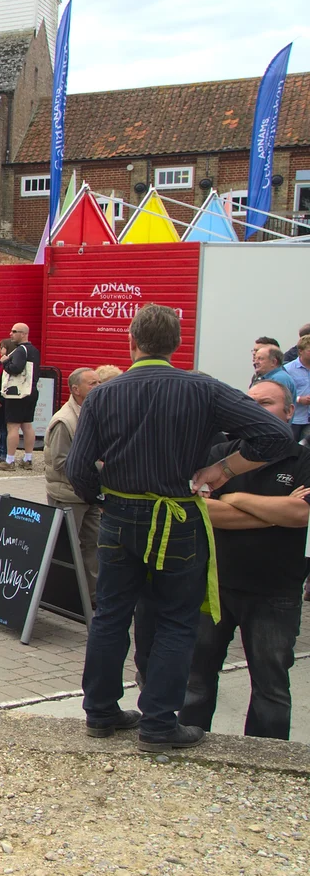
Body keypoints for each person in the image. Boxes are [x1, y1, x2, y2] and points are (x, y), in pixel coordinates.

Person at [68, 303, 295, 753]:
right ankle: (158, 724)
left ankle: (100, 712)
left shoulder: (102, 394)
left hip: (120, 517)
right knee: (175, 619)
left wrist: (109, 498)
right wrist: (223, 469)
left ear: (132, 343)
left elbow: (78, 472)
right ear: (176, 345)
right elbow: (276, 436)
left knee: (111, 614)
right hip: (177, 515)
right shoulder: (203, 388)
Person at [177, 378, 309, 739]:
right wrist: (273, 512)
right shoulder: (219, 453)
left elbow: (301, 516)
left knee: (271, 687)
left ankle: (265, 765)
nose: (256, 411)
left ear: (288, 412)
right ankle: (187, 748)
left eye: (265, 404)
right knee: (196, 680)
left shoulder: (304, 458)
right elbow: (199, 509)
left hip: (275, 592)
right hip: (213, 586)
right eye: (250, 404)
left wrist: (232, 500)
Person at [43, 367, 103, 595]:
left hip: (90, 494)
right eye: (93, 384)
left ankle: (92, 595)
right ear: (76, 389)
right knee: (66, 548)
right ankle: (61, 594)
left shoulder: (92, 412)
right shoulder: (64, 421)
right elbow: (60, 462)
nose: (99, 387)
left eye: (99, 382)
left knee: (93, 543)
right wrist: (98, 468)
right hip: (68, 495)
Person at [0, 323, 41, 471]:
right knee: (27, 425)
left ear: (24, 334)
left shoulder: (19, 351)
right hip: (31, 391)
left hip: (16, 394)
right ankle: (28, 458)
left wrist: (5, 362)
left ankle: (9, 460)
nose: (11, 334)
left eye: (14, 331)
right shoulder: (34, 350)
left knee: (12, 426)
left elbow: (16, 369)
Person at [284, 334, 310, 441]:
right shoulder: (288, 369)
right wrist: (299, 399)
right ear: (300, 351)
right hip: (295, 419)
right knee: (293, 449)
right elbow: (282, 394)